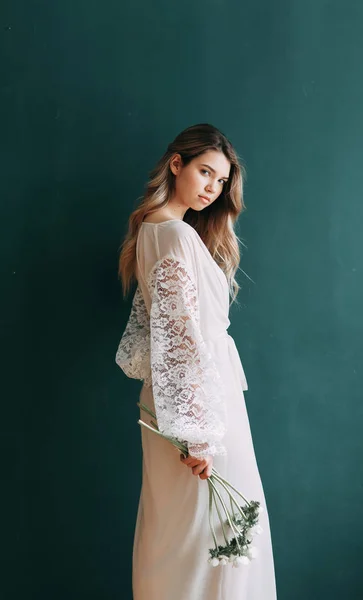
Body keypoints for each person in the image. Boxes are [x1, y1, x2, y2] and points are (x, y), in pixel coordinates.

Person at [115, 123, 277, 599]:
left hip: (188, 400)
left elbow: (162, 337)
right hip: (198, 409)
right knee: (213, 534)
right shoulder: (175, 237)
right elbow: (178, 337)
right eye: (205, 172)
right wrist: (195, 435)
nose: (212, 187)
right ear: (176, 164)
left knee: (188, 535)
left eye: (221, 181)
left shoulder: (154, 231)